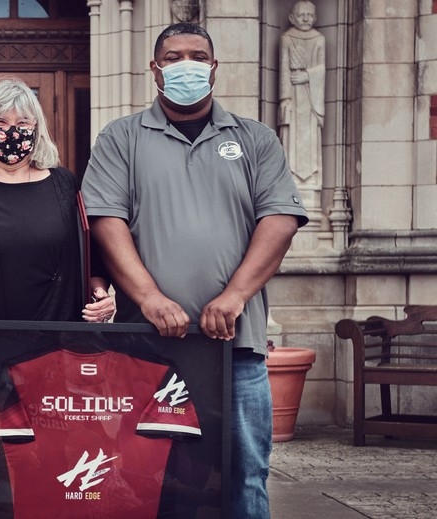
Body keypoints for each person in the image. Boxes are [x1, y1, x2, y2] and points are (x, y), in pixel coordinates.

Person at [80, 23, 308, 518]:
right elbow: (105, 219)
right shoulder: (121, 137)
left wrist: (234, 296)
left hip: (236, 348)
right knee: (144, 473)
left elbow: (281, 220)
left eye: (197, 55)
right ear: (155, 69)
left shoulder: (255, 138)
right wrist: (149, 297)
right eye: (174, 56)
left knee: (244, 475)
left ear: (214, 66)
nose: (187, 64)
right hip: (146, 347)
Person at [0, 77, 115, 322]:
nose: (12, 130)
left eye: (22, 122)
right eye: (0, 121)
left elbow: (90, 255)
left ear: (36, 129)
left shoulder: (64, 184)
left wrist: (99, 294)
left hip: (60, 340)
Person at [279, 0, 326, 198]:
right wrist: (284, 99)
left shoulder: (319, 39)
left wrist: (307, 75)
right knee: (291, 138)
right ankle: (291, 181)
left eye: (309, 14)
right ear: (291, 18)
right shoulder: (286, 38)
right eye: (301, 14)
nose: (306, 18)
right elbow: (283, 70)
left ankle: (312, 181)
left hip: (311, 98)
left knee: (311, 137)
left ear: (315, 17)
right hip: (293, 96)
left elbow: (321, 69)